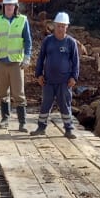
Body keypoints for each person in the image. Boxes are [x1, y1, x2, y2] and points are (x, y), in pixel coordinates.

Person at [0, 0, 32, 131]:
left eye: (12, 5)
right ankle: (5, 119)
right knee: (2, 92)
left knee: (18, 93)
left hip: (16, 63)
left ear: (16, 6)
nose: (9, 7)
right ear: (3, 6)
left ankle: (22, 122)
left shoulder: (22, 20)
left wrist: (27, 57)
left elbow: (28, 41)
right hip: (1, 62)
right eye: (7, 5)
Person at [33, 11, 81, 139]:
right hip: (48, 80)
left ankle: (69, 129)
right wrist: (38, 75)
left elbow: (76, 61)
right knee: (45, 104)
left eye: (63, 26)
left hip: (64, 82)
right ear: (54, 26)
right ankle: (41, 127)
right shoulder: (48, 41)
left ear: (67, 27)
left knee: (65, 105)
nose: (60, 28)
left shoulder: (71, 43)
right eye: (58, 25)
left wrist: (74, 77)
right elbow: (40, 58)